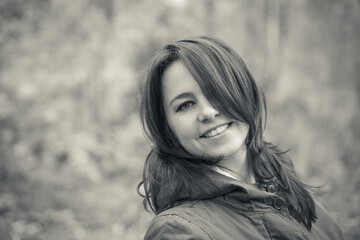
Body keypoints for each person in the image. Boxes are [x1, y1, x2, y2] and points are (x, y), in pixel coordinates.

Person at [138, 36, 344, 239]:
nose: (208, 112)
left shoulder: (300, 200)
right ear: (167, 130)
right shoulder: (178, 231)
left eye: (215, 90)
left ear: (245, 91)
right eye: (185, 105)